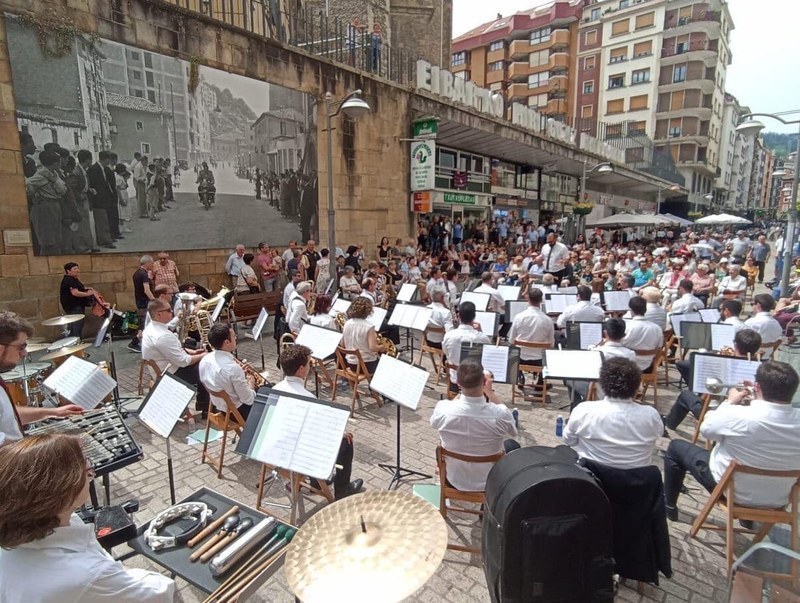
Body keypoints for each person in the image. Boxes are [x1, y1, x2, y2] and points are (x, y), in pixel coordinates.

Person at [0, 434, 174, 601]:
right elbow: (158, 592)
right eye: (88, 471)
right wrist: (116, 572)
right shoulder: (89, 576)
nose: (90, 475)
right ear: (64, 490)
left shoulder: (23, 531)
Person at [663, 361, 800, 521]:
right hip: (778, 499)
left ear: (757, 387)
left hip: (730, 490)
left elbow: (707, 430)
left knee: (675, 448)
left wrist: (730, 402)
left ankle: (669, 506)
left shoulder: (739, 415)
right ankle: (748, 521)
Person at [273, 344, 364, 499]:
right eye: (309, 363)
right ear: (301, 369)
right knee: (346, 442)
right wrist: (341, 433)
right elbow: (320, 430)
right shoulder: (306, 397)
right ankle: (342, 489)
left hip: (277, 449)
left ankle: (316, 482)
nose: (310, 366)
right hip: (296, 455)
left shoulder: (275, 388)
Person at [430, 358, 519, 491]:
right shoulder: (500, 414)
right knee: (512, 445)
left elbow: (434, 423)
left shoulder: (443, 408)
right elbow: (514, 432)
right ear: (484, 382)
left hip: (453, 480)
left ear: (458, 383)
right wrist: (490, 392)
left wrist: (461, 394)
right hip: (489, 482)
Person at [0, 312, 83, 446]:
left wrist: (53, 412)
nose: (25, 353)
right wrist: (44, 448)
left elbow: (8, 415)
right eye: (21, 347)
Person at [563, 358, 662, 469]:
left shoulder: (584, 410)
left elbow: (569, 440)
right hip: (637, 480)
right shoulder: (651, 415)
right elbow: (658, 434)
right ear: (636, 387)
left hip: (593, 478)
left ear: (602, 385)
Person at [664, 329, 762, 431]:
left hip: (718, 417)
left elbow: (706, 394)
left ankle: (668, 423)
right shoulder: (760, 369)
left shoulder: (723, 365)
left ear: (736, 345)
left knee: (686, 395)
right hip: (749, 418)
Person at [141, 299, 210, 417]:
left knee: (199, 355)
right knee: (207, 366)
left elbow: (170, 351)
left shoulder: (152, 328)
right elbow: (184, 362)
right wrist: (204, 355)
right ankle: (207, 408)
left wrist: (192, 352)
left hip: (166, 368)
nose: (172, 312)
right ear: (159, 314)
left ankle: (202, 402)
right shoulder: (162, 336)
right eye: (168, 310)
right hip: (171, 373)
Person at [199, 323, 257, 421]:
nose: (236, 338)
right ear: (227, 342)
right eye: (234, 336)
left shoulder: (205, 359)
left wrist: (240, 375)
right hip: (239, 413)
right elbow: (249, 400)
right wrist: (251, 383)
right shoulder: (233, 369)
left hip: (220, 408)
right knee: (270, 391)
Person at [508, 288, 554, 392]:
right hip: (539, 360)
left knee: (512, 349)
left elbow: (511, 340)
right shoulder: (548, 320)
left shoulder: (519, 317)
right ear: (541, 300)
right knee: (548, 354)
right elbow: (551, 343)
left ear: (528, 299)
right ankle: (541, 383)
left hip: (520, 358)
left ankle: (519, 376)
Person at [442, 302, 491, 390]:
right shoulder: (482, 337)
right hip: (476, 382)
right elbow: (488, 352)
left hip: (455, 380)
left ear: (458, 316)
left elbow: (445, 352)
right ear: (474, 317)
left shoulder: (449, 335)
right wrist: (481, 331)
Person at [341, 297, 386, 374]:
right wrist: (383, 347)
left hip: (350, 363)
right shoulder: (369, 326)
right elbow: (373, 348)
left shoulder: (347, 323)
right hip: (366, 364)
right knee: (385, 365)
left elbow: (342, 344)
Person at [622, 296, 664, 371]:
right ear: (645, 310)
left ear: (631, 310)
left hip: (628, 366)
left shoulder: (627, 326)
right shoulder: (657, 328)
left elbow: (621, 344)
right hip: (649, 365)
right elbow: (659, 347)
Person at [59, 262, 95, 337]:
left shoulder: (73, 279)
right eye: (75, 269)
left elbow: (77, 288)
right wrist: (88, 294)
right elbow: (75, 293)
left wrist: (86, 288)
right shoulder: (69, 280)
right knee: (77, 325)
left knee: (73, 325)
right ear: (68, 271)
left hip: (75, 306)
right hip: (74, 306)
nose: (77, 270)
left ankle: (72, 340)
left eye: (77, 268)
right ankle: (76, 341)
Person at [129, 255, 155, 352]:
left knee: (144, 323)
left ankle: (141, 342)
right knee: (144, 323)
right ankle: (134, 342)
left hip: (140, 301)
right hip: (145, 302)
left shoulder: (137, 273)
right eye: (152, 263)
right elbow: (147, 290)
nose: (152, 265)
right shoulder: (143, 274)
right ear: (147, 263)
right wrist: (154, 301)